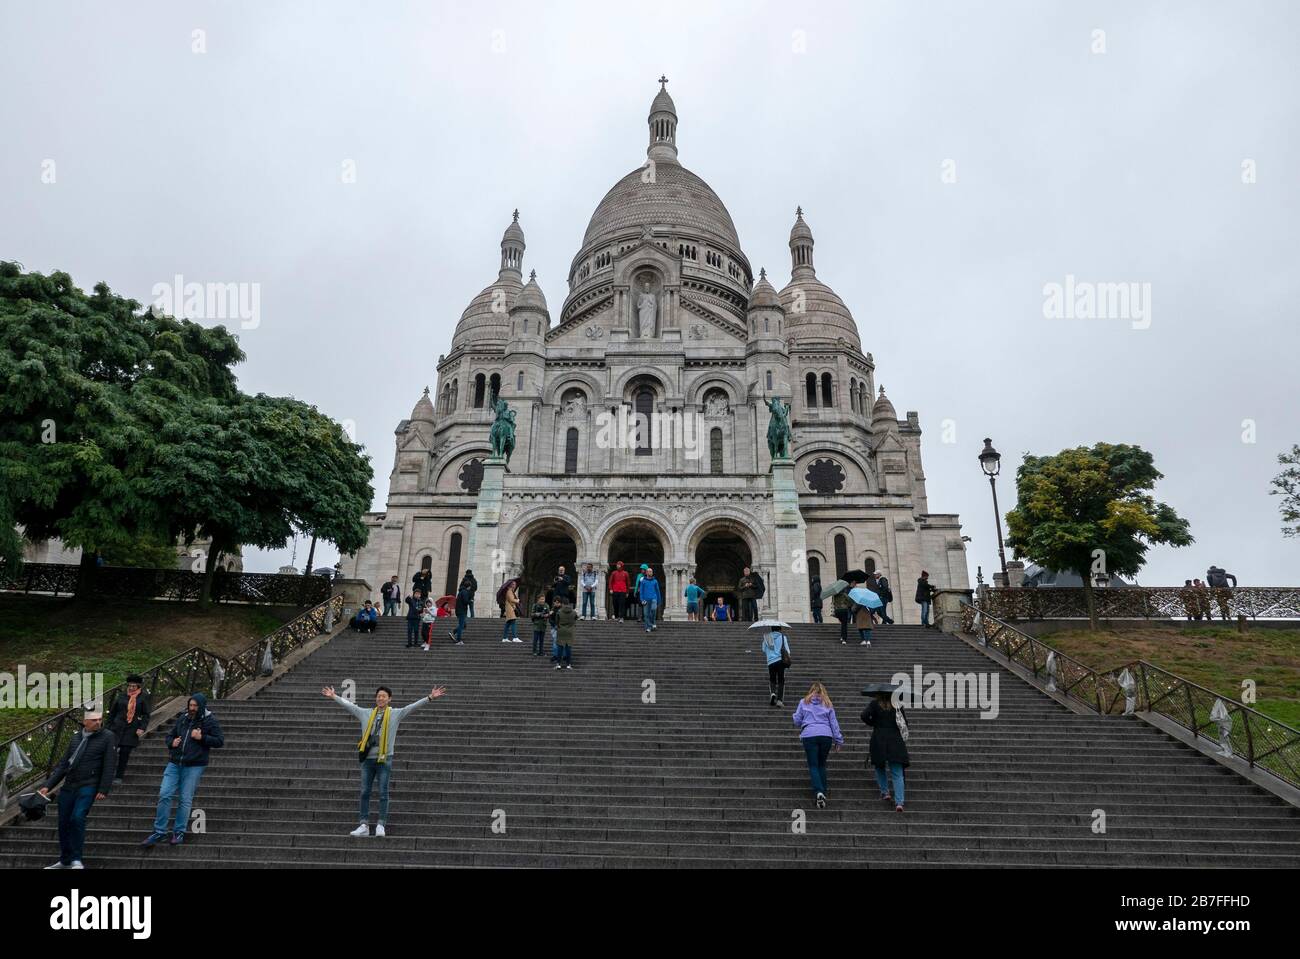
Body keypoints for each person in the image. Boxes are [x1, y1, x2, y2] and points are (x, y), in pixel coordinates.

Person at [322, 683, 446, 837]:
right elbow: (350, 706)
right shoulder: (365, 713)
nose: (380, 698)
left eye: (384, 696)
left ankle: (381, 824)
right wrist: (334, 696)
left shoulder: (396, 714)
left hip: (384, 759)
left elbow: (411, 707)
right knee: (365, 792)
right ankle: (364, 824)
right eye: (378, 696)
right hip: (367, 759)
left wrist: (430, 698)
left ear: (389, 699)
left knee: (383, 793)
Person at [141, 693, 224, 847]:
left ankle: (179, 831)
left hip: (194, 765)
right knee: (164, 794)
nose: (192, 708)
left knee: (185, 799)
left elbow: (220, 741)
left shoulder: (210, 721)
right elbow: (170, 735)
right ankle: (159, 832)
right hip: (174, 763)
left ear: (201, 706)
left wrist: (202, 738)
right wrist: (171, 742)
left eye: (195, 706)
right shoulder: (182, 718)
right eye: (190, 705)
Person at [40, 710, 116, 869]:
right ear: (85, 722)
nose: (98, 722)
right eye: (94, 720)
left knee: (77, 817)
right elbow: (63, 765)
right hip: (69, 785)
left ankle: (76, 858)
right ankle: (65, 859)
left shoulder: (107, 737)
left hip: (89, 784)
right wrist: (48, 786)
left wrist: (104, 788)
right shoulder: (76, 738)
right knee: (63, 822)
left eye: (100, 719)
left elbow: (109, 764)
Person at [791, 682, 843, 809]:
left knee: (813, 765)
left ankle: (819, 791)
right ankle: (823, 792)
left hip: (809, 735)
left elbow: (797, 721)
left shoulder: (804, 702)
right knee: (821, 764)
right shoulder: (828, 703)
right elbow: (834, 723)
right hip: (826, 735)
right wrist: (838, 740)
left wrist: (797, 716)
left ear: (811, 691)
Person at [862, 689, 910, 812]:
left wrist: (874, 723)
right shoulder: (897, 705)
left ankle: (885, 792)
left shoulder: (874, 704)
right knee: (897, 773)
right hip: (895, 740)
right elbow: (904, 723)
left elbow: (863, 715)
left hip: (879, 739)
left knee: (879, 766)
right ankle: (899, 802)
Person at [105, 675, 150, 784]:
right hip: (116, 728)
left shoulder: (143, 697)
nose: (131, 688)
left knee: (124, 752)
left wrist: (142, 728)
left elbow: (146, 715)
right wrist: (107, 727)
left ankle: (119, 776)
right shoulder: (122, 696)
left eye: (133, 686)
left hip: (131, 729)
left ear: (138, 686)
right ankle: (107, 775)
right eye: (129, 685)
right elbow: (112, 712)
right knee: (111, 752)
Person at [761, 627, 790, 706]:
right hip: (780, 661)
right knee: (781, 680)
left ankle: (773, 693)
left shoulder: (767, 637)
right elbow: (787, 650)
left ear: (772, 629)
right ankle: (779, 700)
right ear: (780, 629)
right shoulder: (783, 637)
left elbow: (763, 649)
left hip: (770, 662)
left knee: (772, 679)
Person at [553, 599, 578, 669]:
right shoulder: (573, 612)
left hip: (561, 631)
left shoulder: (559, 612)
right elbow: (576, 618)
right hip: (570, 631)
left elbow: (556, 621)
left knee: (560, 648)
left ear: (563, 604)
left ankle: (558, 664)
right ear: (569, 604)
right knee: (568, 648)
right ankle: (568, 664)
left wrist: (559, 627)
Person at [638, 567, 661, 633]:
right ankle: (648, 627)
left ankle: (652, 623)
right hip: (645, 600)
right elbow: (641, 592)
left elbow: (657, 591)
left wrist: (659, 600)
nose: (651, 572)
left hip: (654, 599)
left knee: (653, 610)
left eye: (651, 571)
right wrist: (642, 599)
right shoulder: (643, 581)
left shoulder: (655, 581)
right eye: (649, 571)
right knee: (646, 614)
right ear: (646, 573)